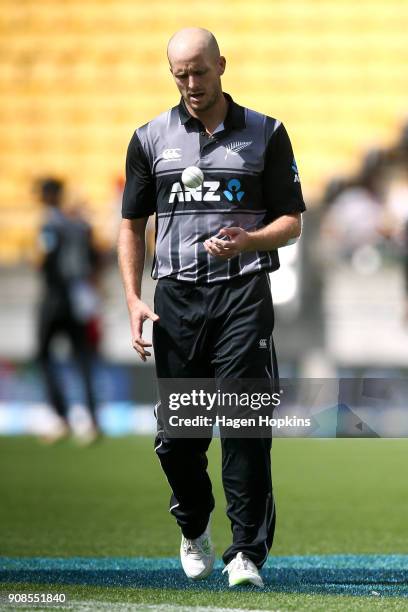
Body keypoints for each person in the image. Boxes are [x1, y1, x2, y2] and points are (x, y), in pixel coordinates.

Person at [118, 27, 306, 587]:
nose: (192, 83)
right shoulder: (149, 138)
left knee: (244, 424)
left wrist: (248, 241)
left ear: (222, 65)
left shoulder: (266, 134)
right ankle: (193, 523)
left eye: (200, 71)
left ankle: (245, 552)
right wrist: (131, 298)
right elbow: (131, 225)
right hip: (175, 298)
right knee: (178, 438)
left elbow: (291, 221)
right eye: (180, 74)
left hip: (243, 294)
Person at [36, 178, 101, 444]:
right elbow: (96, 260)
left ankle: (61, 418)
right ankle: (92, 421)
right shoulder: (82, 225)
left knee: (44, 355)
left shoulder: (50, 222)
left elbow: (45, 258)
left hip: (55, 298)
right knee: (83, 357)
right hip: (80, 298)